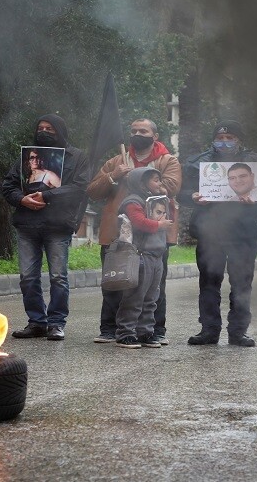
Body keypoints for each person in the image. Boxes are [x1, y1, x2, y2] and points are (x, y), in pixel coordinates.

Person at [179, 120, 257, 347]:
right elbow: (181, 193)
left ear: (239, 140)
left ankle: (238, 332)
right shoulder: (198, 162)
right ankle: (208, 330)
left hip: (244, 233)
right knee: (209, 282)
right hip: (210, 232)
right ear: (213, 140)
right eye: (220, 138)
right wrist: (192, 196)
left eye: (230, 138)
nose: (224, 142)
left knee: (242, 284)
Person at [86, 118, 181, 346]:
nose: (138, 134)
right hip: (117, 234)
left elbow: (171, 187)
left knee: (154, 286)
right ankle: (110, 328)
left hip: (154, 237)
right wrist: (114, 175)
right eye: (134, 131)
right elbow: (93, 191)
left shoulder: (168, 161)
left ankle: (154, 330)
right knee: (115, 280)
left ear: (154, 136)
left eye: (143, 131)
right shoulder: (117, 161)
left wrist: (140, 177)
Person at [2, 114, 88, 341]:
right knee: (27, 277)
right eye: (40, 127)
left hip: (57, 225)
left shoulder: (76, 156)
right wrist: (22, 199)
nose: (44, 131)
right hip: (27, 224)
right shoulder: (26, 155)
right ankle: (36, 322)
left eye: (49, 128)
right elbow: (8, 185)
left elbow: (80, 188)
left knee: (58, 276)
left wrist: (47, 195)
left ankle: (56, 323)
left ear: (60, 131)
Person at [112, 168, 173, 349]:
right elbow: (139, 222)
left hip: (156, 256)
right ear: (142, 182)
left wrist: (167, 201)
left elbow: (169, 221)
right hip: (140, 256)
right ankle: (125, 333)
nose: (159, 183)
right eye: (155, 180)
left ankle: (145, 332)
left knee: (151, 298)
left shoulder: (156, 200)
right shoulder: (133, 201)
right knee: (134, 296)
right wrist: (159, 224)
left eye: (160, 180)